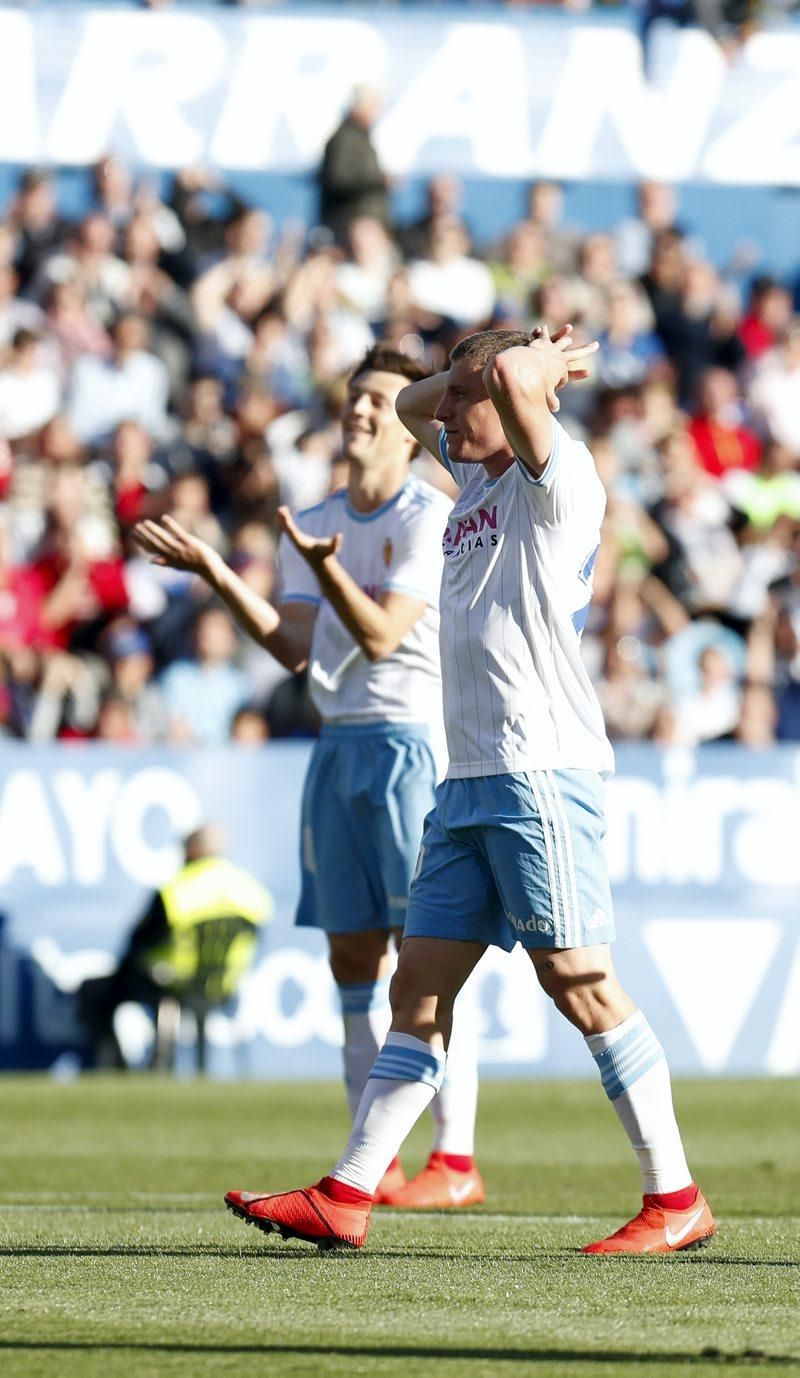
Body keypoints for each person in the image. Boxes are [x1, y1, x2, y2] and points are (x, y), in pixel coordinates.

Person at [223, 326, 717, 1256]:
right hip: (467, 780)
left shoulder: (554, 479)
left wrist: (530, 361)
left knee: (581, 982)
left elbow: (499, 389)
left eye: (464, 395)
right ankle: (350, 1192)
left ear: (517, 397)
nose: (439, 415)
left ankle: (676, 1196)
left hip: (540, 771)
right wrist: (467, 375)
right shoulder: (479, 481)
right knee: (419, 990)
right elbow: (416, 407)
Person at [134, 343, 485, 1209]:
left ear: (408, 431)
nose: (361, 411)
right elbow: (295, 647)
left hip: (410, 744)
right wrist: (218, 573)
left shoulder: (421, 515)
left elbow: (380, 635)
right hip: (336, 750)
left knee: (425, 965)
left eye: (379, 403)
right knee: (351, 962)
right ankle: (378, 1161)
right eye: (354, 399)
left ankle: (457, 1159)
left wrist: (324, 563)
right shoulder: (320, 515)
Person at [77, 826, 271, 1068]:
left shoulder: (176, 890)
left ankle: (118, 1069)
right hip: (224, 985)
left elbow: (140, 941)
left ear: (191, 850)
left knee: (96, 991)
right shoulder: (250, 891)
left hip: (171, 983)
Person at [318, 87, 389, 244]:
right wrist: (378, 180)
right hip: (349, 228)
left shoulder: (360, 136)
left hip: (361, 226)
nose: (377, 113)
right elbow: (339, 178)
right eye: (374, 107)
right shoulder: (345, 139)